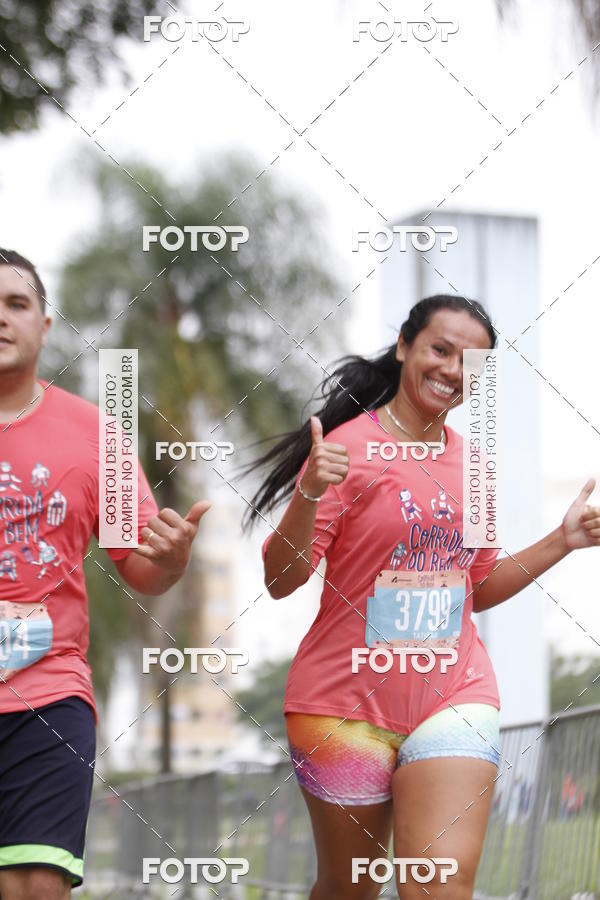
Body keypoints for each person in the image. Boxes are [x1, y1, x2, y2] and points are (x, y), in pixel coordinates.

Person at [244, 294, 600, 899]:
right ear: (405, 346)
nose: (453, 371)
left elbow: (477, 588)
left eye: (471, 363)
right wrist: (308, 494)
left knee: (440, 885)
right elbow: (282, 581)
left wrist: (561, 541)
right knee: (349, 887)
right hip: (343, 706)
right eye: (440, 350)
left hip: (454, 696)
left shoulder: (475, 469)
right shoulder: (347, 450)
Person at [0, 249, 210, 899]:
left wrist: (171, 559)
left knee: (35, 883)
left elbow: (140, 567)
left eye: (16, 303)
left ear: (44, 325)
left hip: (46, 695)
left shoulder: (96, 434)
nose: (1, 318)